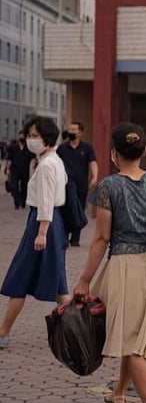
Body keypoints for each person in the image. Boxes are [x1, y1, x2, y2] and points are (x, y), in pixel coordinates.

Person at [72, 123, 146, 403]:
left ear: (113, 153)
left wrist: (84, 279)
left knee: (132, 342)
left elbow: (102, 238)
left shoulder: (108, 187)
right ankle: (119, 393)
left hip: (125, 265)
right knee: (130, 332)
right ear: (144, 151)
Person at [0, 117, 69, 349]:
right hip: (50, 222)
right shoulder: (53, 160)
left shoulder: (48, 164)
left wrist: (41, 232)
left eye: (35, 136)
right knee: (58, 282)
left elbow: (47, 201)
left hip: (43, 222)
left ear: (47, 137)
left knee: (20, 276)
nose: (31, 140)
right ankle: (77, 331)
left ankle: (3, 332)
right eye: (29, 136)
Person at [56, 121, 98, 247]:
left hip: (80, 185)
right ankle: (64, 237)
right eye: (70, 130)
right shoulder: (62, 148)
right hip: (65, 185)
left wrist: (94, 176)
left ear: (80, 133)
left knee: (78, 210)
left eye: (74, 131)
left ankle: (75, 238)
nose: (71, 133)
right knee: (65, 210)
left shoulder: (86, 148)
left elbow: (93, 162)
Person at [6, 131, 34, 209]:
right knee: (15, 186)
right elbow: (9, 159)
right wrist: (7, 169)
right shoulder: (13, 147)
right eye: (20, 137)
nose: (21, 139)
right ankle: (17, 202)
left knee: (24, 187)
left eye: (23, 137)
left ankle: (23, 201)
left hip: (24, 170)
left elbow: (33, 158)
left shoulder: (28, 148)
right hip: (14, 170)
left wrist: (34, 165)